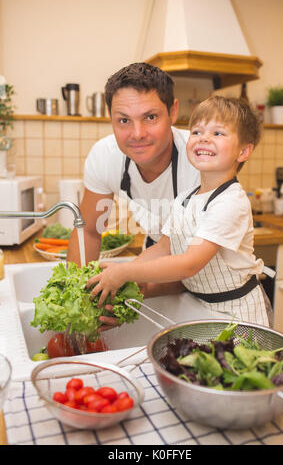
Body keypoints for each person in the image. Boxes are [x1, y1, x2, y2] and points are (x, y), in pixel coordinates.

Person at [87, 96, 270, 328]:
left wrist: (126, 273)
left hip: (237, 315)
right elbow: (164, 247)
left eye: (218, 133)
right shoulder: (185, 198)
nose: (204, 138)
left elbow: (189, 264)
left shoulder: (231, 202)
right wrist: (129, 283)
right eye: (196, 131)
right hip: (199, 306)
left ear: (244, 151)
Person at [67, 63, 200, 302]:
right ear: (111, 118)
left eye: (150, 117)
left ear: (173, 112)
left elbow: (197, 262)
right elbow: (88, 231)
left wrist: (131, 292)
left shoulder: (201, 158)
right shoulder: (105, 156)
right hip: (159, 265)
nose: (137, 133)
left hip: (213, 283)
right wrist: (78, 296)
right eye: (124, 120)